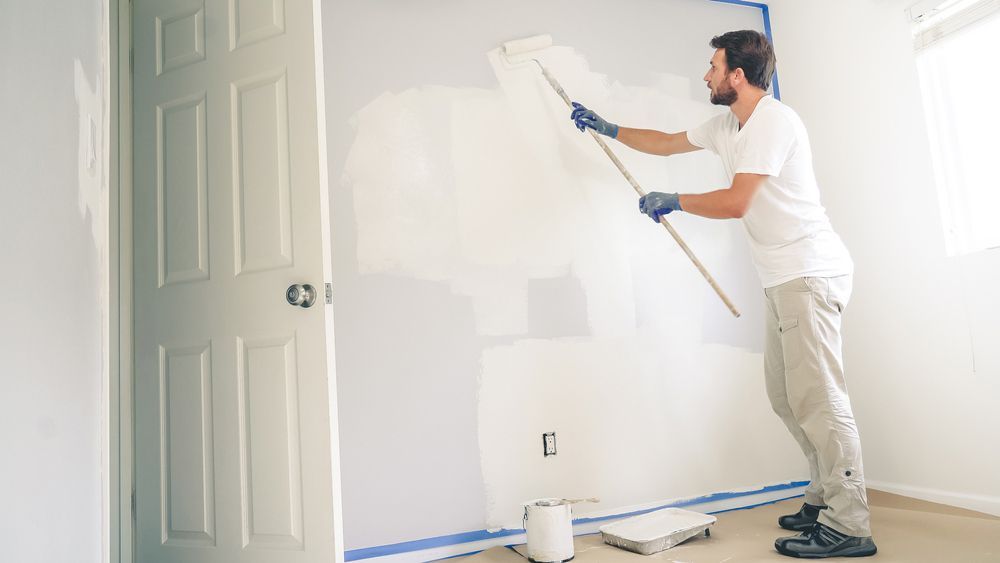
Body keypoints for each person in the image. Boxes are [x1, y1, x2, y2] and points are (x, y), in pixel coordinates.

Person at [570, 30, 876, 559]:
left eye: (713, 66)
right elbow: (666, 143)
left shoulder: (773, 122)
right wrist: (609, 127)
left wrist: (677, 200)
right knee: (787, 399)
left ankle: (850, 524)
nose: (706, 75)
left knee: (820, 402)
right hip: (783, 278)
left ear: (738, 74)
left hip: (810, 273)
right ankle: (825, 496)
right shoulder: (729, 125)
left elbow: (737, 202)